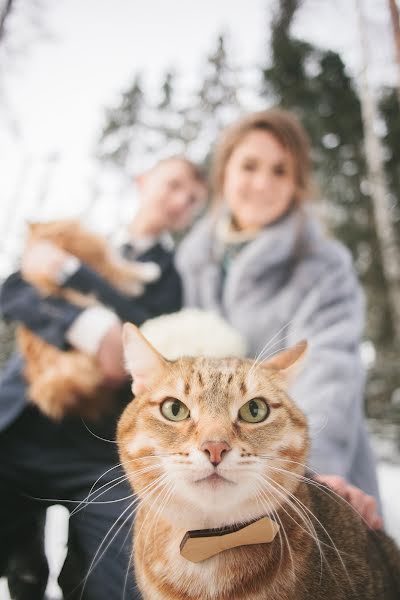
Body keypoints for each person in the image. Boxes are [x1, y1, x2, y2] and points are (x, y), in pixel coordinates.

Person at [0, 156, 207, 600]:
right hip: (18, 428)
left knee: (122, 583)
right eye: (173, 186)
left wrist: (72, 276)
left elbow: (151, 333)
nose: (180, 202)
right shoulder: (85, 237)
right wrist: (87, 325)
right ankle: (24, 554)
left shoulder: (174, 277)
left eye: (193, 200)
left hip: (98, 449)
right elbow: (16, 288)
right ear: (142, 180)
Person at [176, 109, 382, 521]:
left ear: (296, 185)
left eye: (280, 171)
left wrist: (313, 474)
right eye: (249, 166)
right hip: (210, 467)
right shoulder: (194, 259)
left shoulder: (321, 265)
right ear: (225, 173)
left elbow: (329, 368)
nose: (262, 184)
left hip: (297, 465)